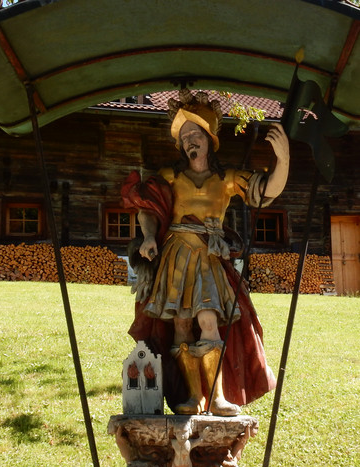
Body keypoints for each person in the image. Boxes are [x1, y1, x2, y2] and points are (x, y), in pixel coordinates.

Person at [122, 89, 289, 416]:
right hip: (176, 256)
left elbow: (265, 190)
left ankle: (216, 396)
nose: (189, 141)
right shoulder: (170, 176)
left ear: (210, 138)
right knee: (181, 326)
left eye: (195, 133)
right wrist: (148, 236)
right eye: (184, 136)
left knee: (210, 322)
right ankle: (193, 396)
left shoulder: (226, 179)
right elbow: (147, 206)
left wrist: (283, 160)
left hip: (210, 258)